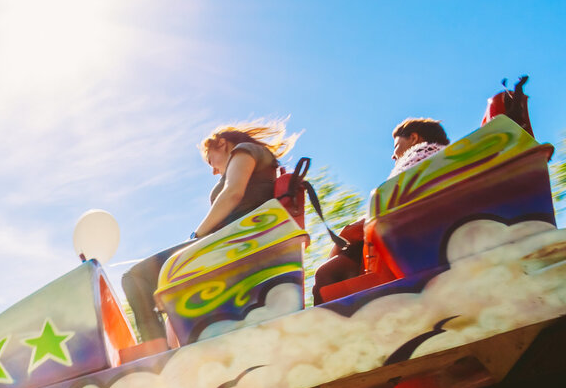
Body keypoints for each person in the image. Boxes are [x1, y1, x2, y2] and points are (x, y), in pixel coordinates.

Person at [122, 123, 294, 342]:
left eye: (210, 161)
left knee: (135, 277)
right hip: (234, 240)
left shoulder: (243, 150)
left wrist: (197, 237)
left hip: (231, 241)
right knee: (163, 290)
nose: (213, 170)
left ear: (221, 144)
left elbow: (232, 193)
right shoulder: (259, 161)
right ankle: (169, 348)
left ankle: (155, 356)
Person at [314, 118, 450, 297]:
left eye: (395, 147)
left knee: (326, 274)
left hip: (406, 240)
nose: (393, 156)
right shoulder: (447, 160)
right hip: (428, 236)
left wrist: (348, 233)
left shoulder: (419, 158)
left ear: (414, 138)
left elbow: (391, 207)